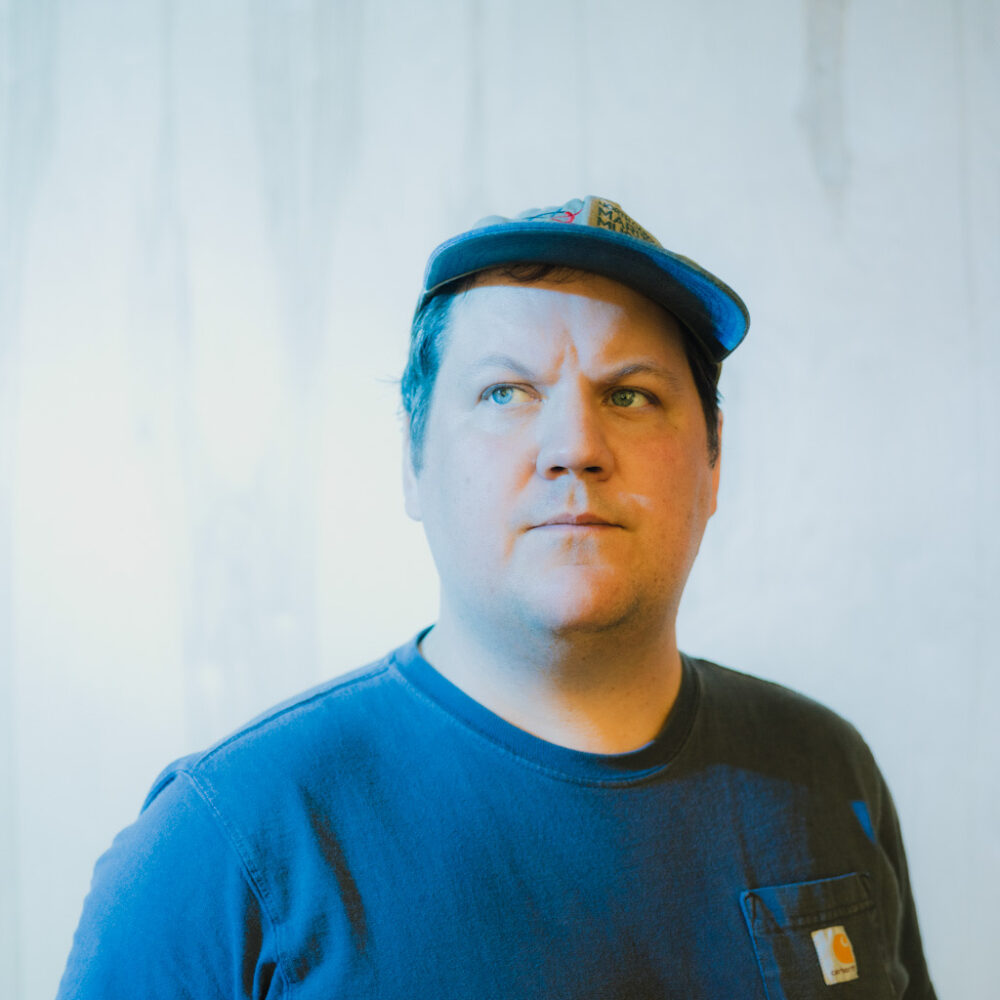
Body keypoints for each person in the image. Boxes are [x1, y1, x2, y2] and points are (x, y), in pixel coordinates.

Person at [57, 196, 936, 998]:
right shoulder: (229, 844)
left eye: (629, 395)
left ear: (713, 462)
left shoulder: (823, 769)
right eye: (506, 392)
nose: (575, 448)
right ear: (413, 463)